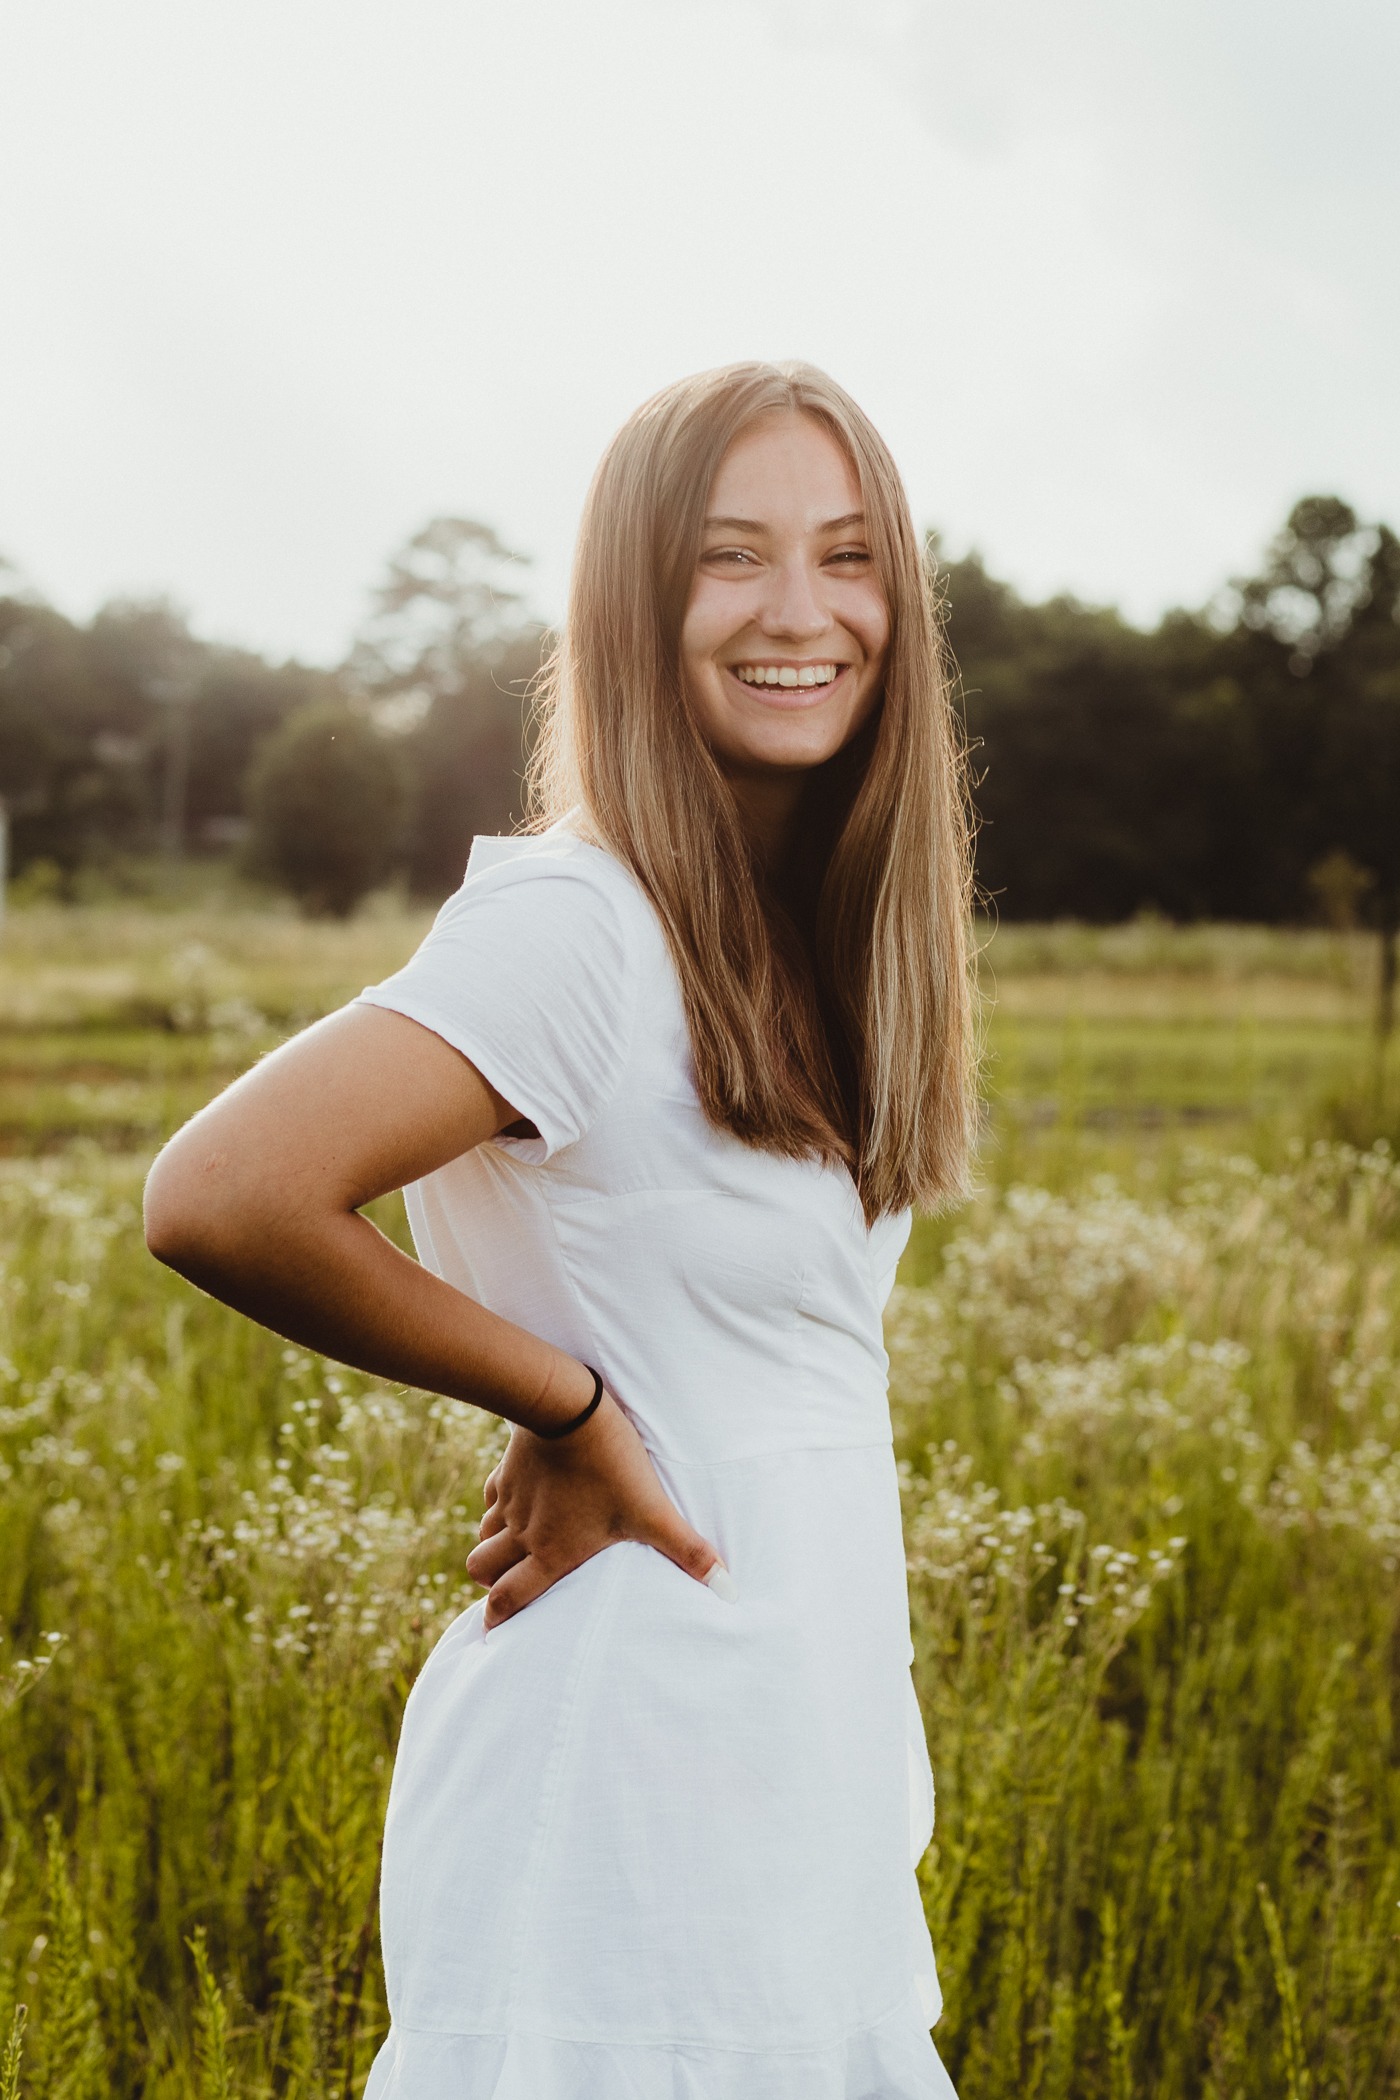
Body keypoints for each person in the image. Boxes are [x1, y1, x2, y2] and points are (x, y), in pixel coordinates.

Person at [144, 359, 976, 2099]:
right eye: (731, 558)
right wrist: (568, 1405)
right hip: (621, 1800)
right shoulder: (580, 929)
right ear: (634, 602)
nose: (803, 612)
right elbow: (221, 1193)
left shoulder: (807, 947)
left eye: (848, 555)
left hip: (796, 1781)